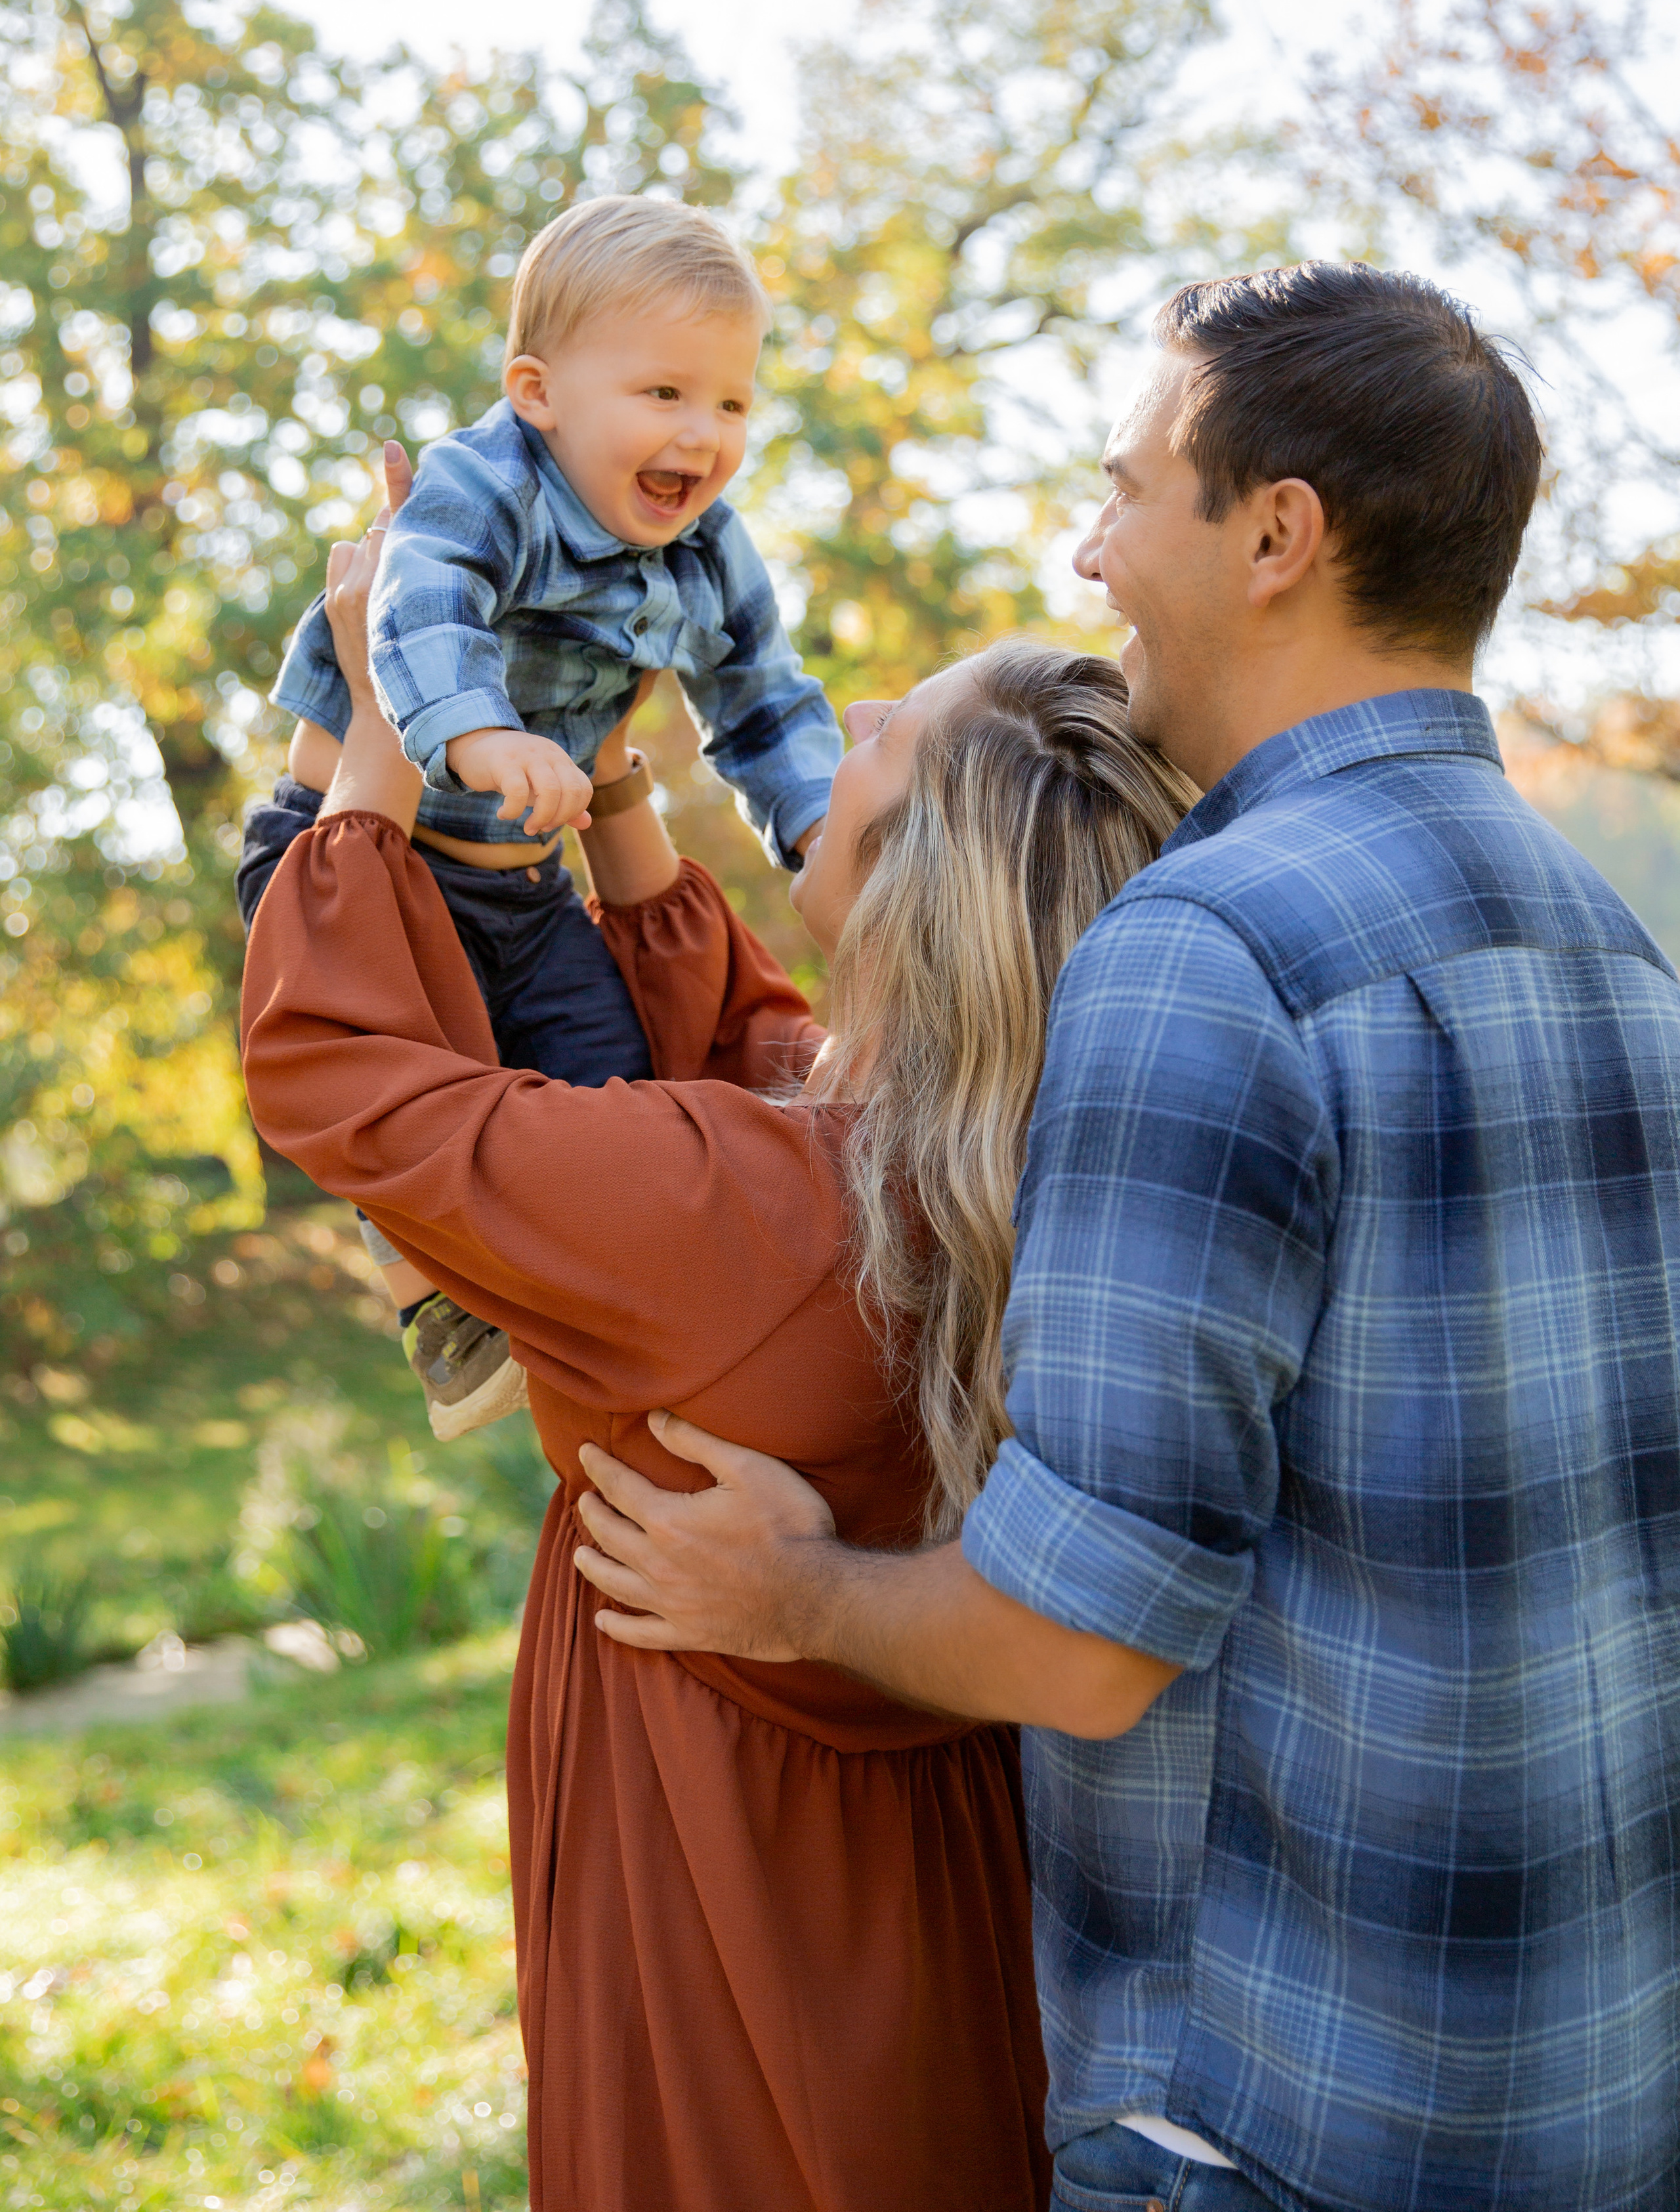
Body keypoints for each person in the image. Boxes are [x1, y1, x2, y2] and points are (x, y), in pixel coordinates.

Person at [567, 262, 1680, 2212]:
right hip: (1590, 2092)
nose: (1090, 555)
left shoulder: (1206, 951)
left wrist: (798, 1595)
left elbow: (1083, 1642)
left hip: (1270, 2128)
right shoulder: (1612, 948)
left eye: (1126, 490)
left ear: (1276, 535)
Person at [238, 516, 1198, 2212]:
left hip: (724, 1880)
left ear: (903, 874)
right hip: (924, 1877)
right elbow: (742, 1032)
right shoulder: (975, 1155)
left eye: (897, 728)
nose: (865, 703)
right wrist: (614, 793)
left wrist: (390, 723)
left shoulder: (738, 1208)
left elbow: (340, 1079)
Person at [245, 194, 842, 1433]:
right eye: (666, 394)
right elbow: (419, 603)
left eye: (733, 403)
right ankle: (436, 1297)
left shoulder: (709, 551)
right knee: (411, 1073)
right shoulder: (483, 485)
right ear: (537, 391)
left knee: (604, 1073)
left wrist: (825, 830)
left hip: (528, 884)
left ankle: (594, 1280)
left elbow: (765, 697)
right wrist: (476, 729)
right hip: (365, 856)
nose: (706, 434)